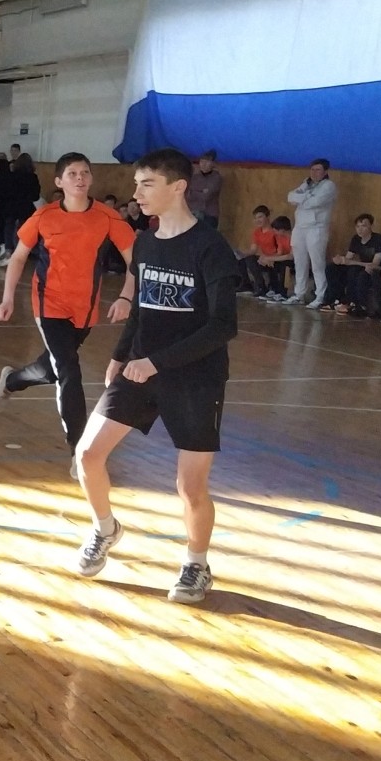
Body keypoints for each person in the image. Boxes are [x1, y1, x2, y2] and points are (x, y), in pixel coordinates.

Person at [72, 147, 238, 605]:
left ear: (178, 187)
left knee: (190, 487)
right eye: (136, 184)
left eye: (147, 184)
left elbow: (224, 325)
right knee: (88, 455)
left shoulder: (211, 247)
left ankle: (197, 564)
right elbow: (142, 309)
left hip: (196, 377)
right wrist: (120, 355)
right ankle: (105, 528)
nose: (137, 193)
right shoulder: (145, 242)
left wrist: (157, 362)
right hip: (140, 367)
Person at [0, 153, 137, 460]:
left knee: (53, 367)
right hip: (49, 304)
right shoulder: (44, 216)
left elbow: (135, 261)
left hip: (85, 309)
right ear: (59, 181)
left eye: (85, 172)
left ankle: (12, 380)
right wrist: (7, 297)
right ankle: (78, 451)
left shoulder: (108, 217)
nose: (80, 178)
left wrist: (126, 296)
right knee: (69, 370)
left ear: (91, 178)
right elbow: (18, 257)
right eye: (72, 173)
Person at [284, 158, 337, 307]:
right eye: (312, 169)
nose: (314, 173)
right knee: (299, 262)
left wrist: (301, 199)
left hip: (316, 228)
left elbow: (315, 203)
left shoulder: (328, 186)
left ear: (325, 172)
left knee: (317, 263)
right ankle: (299, 294)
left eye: (318, 170)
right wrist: (306, 196)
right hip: (300, 227)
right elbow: (290, 196)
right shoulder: (306, 183)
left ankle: (320, 296)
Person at [321, 214, 381, 315]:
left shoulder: (379, 240)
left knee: (353, 270)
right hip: (361, 266)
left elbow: (374, 264)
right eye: (358, 226)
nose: (360, 229)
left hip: (372, 269)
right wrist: (339, 260)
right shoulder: (356, 239)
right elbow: (348, 258)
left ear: (371, 226)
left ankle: (350, 303)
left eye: (364, 226)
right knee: (332, 268)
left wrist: (351, 262)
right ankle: (335, 299)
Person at [0, 153, 41, 266]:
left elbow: (6, 191)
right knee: (24, 231)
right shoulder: (32, 177)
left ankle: (9, 252)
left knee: (9, 228)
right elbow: (36, 196)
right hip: (25, 207)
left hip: (11, 206)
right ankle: (22, 253)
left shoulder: (11, 176)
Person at [188, 149, 224, 230]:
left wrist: (194, 192)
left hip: (209, 215)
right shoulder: (194, 178)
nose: (203, 164)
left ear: (213, 164)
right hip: (193, 213)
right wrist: (201, 191)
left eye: (207, 162)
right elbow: (187, 195)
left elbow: (206, 196)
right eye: (202, 161)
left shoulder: (216, 178)